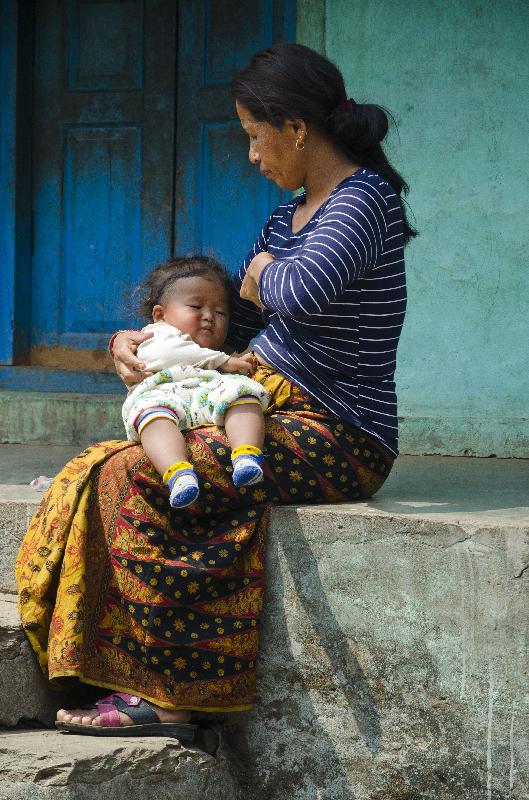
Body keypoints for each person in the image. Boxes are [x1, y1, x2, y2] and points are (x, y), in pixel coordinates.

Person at [16, 42, 415, 741]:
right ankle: (114, 670)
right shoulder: (284, 219)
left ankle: (172, 697)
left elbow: (300, 288)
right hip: (260, 407)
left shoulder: (364, 200)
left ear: (294, 127)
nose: (253, 156)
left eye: (256, 137)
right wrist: (129, 340)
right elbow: (244, 317)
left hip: (341, 431)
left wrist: (266, 273)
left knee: (138, 475)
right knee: (104, 468)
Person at [122, 256, 268, 508]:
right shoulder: (154, 334)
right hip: (162, 395)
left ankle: (246, 455)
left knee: (244, 394)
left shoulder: (216, 355)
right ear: (160, 314)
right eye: (196, 307)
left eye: (220, 312)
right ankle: (178, 473)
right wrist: (224, 362)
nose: (209, 316)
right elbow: (167, 354)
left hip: (206, 395)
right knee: (153, 418)